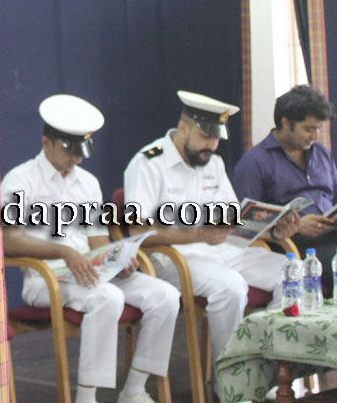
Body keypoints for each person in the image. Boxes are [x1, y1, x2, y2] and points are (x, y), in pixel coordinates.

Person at [2, 95, 179, 403]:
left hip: (89, 271)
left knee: (166, 296)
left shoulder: (88, 183)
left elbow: (97, 241)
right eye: (71, 151)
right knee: (107, 297)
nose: (78, 159)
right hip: (46, 278)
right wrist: (63, 252)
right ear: (46, 143)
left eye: (82, 151)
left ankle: (135, 389)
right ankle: (86, 397)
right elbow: (9, 241)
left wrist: (119, 257)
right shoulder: (20, 180)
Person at [123, 91, 299, 365]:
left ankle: (269, 363)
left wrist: (273, 232)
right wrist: (197, 234)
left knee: (293, 272)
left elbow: (233, 220)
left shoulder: (213, 163)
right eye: (206, 136)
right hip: (172, 257)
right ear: (183, 128)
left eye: (217, 138)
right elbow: (138, 233)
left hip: (222, 250)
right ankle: (230, 375)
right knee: (230, 286)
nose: (213, 145)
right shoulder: (148, 163)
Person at [232, 85, 337, 293]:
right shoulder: (255, 162)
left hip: (336, 238)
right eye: (308, 129)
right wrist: (296, 227)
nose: (315, 136)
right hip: (293, 246)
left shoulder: (321, 154)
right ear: (286, 122)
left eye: (318, 129)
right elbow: (243, 225)